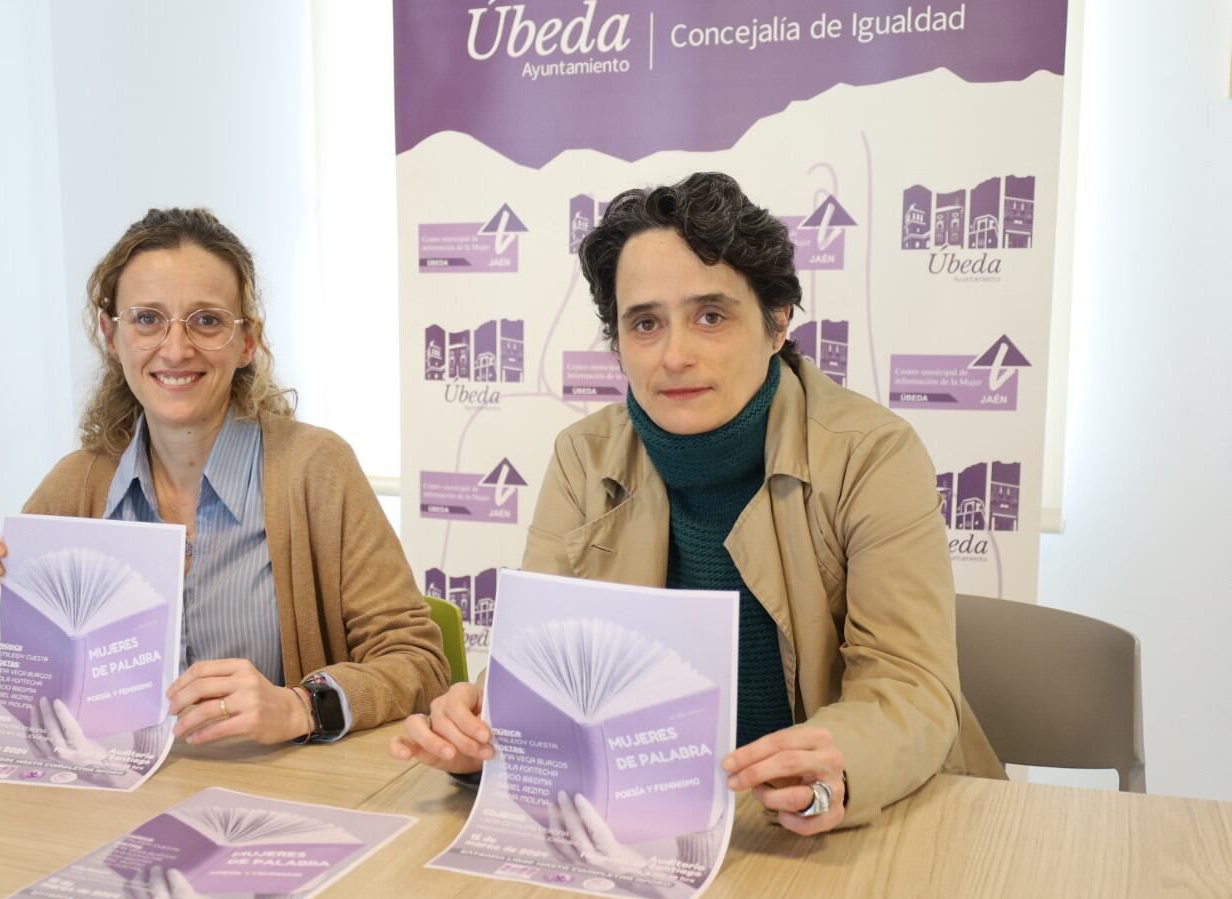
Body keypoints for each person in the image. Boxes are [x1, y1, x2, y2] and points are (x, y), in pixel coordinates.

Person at [392, 172, 1004, 834]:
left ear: (776, 324)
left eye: (711, 317)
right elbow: (544, 665)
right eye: (645, 323)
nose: (674, 355)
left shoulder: (872, 453)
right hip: (652, 823)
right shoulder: (582, 457)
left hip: (837, 832)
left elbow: (911, 688)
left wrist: (841, 766)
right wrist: (482, 736)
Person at [0, 207, 449, 746]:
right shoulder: (78, 484)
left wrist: (300, 706)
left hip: (272, 797)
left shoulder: (314, 469)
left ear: (246, 341)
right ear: (112, 336)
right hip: (111, 799)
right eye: (148, 319)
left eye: (206, 321)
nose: (176, 349)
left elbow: (418, 661)